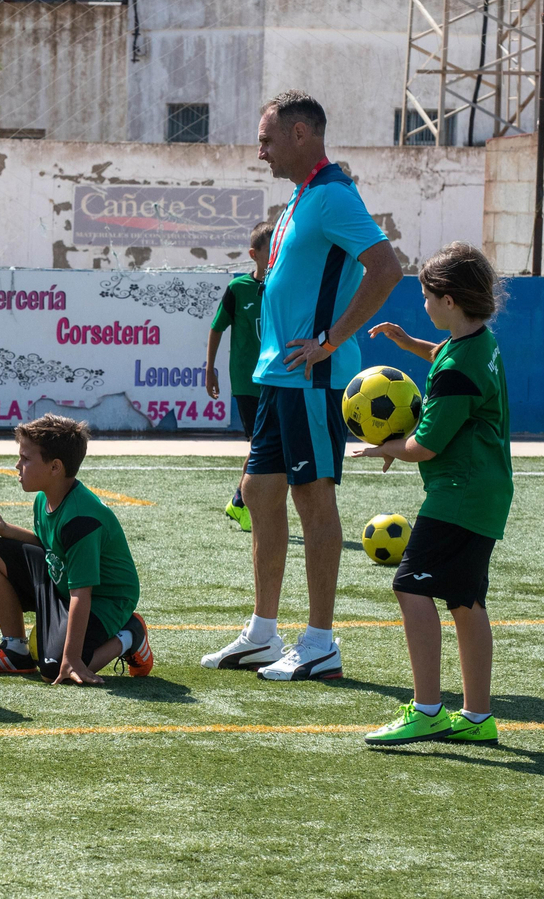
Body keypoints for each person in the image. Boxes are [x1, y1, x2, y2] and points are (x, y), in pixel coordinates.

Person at [201, 90, 403, 680]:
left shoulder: (334, 195)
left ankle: (319, 642)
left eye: (266, 139)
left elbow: (386, 268)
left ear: (299, 133)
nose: (259, 150)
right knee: (259, 494)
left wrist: (332, 341)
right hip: (278, 376)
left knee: (312, 499)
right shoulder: (300, 197)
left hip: (313, 378)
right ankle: (263, 633)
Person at [356, 243, 511, 746]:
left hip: (458, 493)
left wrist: (386, 446)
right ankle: (478, 717)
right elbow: (445, 356)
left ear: (448, 300)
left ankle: (426, 710)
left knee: (410, 586)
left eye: (426, 296)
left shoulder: (456, 368)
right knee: (465, 600)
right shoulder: (479, 342)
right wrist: (409, 344)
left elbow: (424, 446)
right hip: (485, 491)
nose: (422, 304)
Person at [0, 415, 152, 684]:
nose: (17, 465)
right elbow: (50, 548)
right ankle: (15, 650)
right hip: (64, 581)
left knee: (54, 670)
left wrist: (71, 658)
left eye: (25, 458)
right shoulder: (44, 497)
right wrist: (5, 529)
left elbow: (82, 594)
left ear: (55, 467)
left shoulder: (81, 519)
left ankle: (131, 634)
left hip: (104, 600)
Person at [206, 220, 273, 533]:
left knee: (268, 444)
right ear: (254, 254)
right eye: (270, 250)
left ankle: (240, 501)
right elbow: (217, 328)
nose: (276, 256)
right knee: (260, 444)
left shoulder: (283, 287)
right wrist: (210, 369)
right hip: (248, 381)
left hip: (278, 379)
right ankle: (242, 502)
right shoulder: (238, 289)